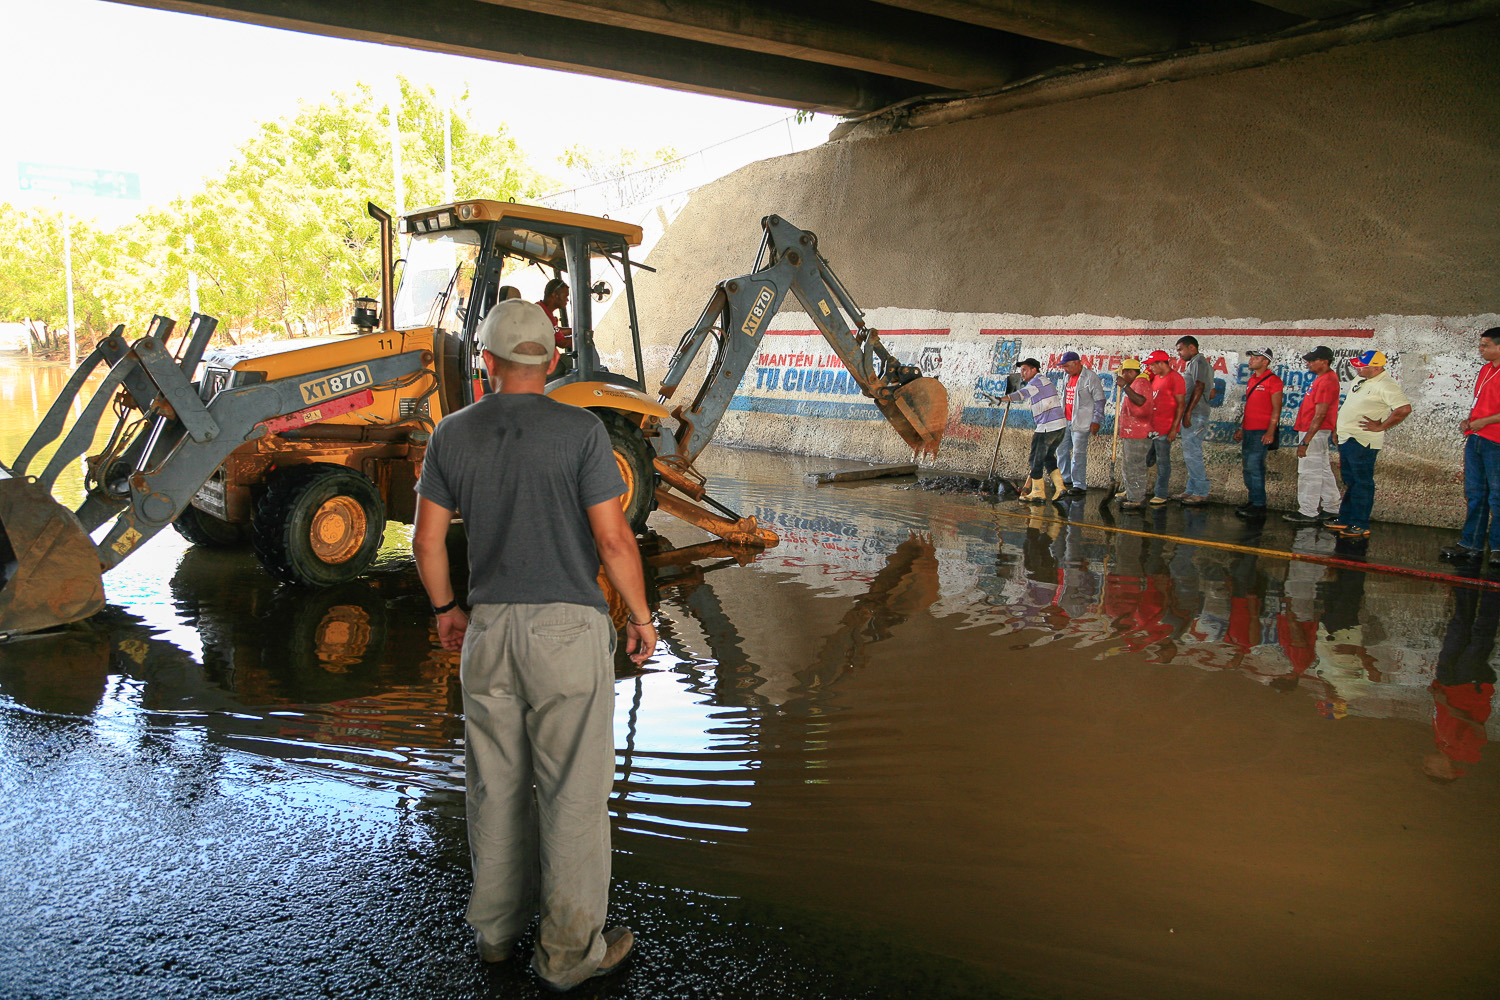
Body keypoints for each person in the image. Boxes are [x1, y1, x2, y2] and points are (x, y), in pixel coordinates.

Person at [410, 299, 653, 990]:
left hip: (488, 628)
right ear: (551, 359)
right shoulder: (580, 432)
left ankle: (495, 934)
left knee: (496, 786)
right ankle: (568, 956)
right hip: (567, 631)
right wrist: (640, 616)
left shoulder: (450, 435)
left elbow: (426, 542)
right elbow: (612, 538)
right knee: (572, 794)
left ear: (485, 361)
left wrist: (447, 612)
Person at [1325, 350, 1411, 539]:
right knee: (1351, 481)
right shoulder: (1361, 380)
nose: (1358, 367)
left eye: (1362, 365)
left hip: (1362, 441)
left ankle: (1360, 523)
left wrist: (1381, 426)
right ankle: (1346, 518)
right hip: (1348, 437)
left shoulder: (1386, 385)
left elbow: (1403, 409)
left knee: (1362, 482)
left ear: (1377, 367)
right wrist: (1338, 429)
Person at [1444, 328, 1500, 565]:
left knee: (1497, 496)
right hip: (1477, 438)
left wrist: (1484, 422)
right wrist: (1471, 420)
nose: (1481, 349)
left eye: (1485, 345)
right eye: (1481, 345)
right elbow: (1483, 403)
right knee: (1476, 494)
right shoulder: (1486, 370)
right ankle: (1471, 544)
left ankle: (1497, 548)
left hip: (1496, 441)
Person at [1283, 345, 1341, 525]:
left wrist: (1305, 441)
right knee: (1322, 470)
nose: (1308, 363)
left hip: (1313, 432)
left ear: (1324, 362)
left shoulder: (1326, 381)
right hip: (1316, 431)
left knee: (1309, 472)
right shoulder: (1324, 378)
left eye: (1312, 360)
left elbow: (1320, 414)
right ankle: (1332, 507)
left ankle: (1308, 511)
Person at [999, 357, 1069, 502]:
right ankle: (1061, 488)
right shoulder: (1043, 381)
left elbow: (1021, 394)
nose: (1022, 373)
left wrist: (1001, 399)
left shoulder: (1037, 381)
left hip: (1047, 427)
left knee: (1035, 459)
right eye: (1021, 370)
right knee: (1048, 457)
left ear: (1034, 370)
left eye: (1025, 370)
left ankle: (1038, 492)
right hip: (1059, 426)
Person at [1232, 348, 1284, 517]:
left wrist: (1271, 431)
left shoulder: (1273, 381)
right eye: (1251, 357)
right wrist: (1242, 427)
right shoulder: (1253, 379)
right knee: (1247, 467)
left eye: (1256, 358)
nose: (1252, 360)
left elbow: (1277, 408)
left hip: (1261, 431)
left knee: (1255, 467)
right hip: (1248, 430)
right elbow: (1250, 407)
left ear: (1265, 361)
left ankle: (1259, 504)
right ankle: (1253, 500)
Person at [1054, 351, 1106, 496]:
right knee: (1061, 450)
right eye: (1063, 366)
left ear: (1077, 363)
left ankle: (1079, 484)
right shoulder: (1067, 377)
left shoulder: (1090, 377)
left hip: (1082, 422)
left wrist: (1096, 420)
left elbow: (1100, 400)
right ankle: (1066, 479)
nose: (1065, 369)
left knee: (1078, 453)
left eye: (1067, 366)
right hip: (1065, 420)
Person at [1174, 335, 1213, 504]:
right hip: (1195, 412)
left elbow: (1200, 386)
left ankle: (1201, 491)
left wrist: (1188, 412)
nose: (1179, 354)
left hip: (1196, 414)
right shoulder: (1197, 363)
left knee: (1192, 453)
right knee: (1190, 452)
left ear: (1192, 348)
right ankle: (1191, 489)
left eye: (1180, 349)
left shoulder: (1198, 362)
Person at [1146, 350, 1186, 505]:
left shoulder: (1176, 379)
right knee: (1144, 460)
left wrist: (1173, 429)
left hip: (1165, 428)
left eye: (1152, 365)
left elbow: (1181, 405)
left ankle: (1161, 494)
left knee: (1163, 462)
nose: (1150, 368)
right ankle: (1134, 489)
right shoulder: (1155, 378)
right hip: (1152, 427)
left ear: (1162, 363)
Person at [1114, 358, 1154, 509]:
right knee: (1129, 465)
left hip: (1138, 433)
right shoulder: (1136, 383)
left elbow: (1140, 401)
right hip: (1132, 432)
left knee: (1135, 466)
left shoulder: (1141, 383)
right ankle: (1131, 492)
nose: (1122, 378)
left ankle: (1136, 498)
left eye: (1123, 374)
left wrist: (1125, 386)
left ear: (1130, 372)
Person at [538, 278, 572, 350]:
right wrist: (584, 337)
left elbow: (555, 331)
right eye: (565, 296)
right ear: (555, 295)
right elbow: (563, 343)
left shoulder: (540, 308)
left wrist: (574, 331)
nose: (567, 300)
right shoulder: (544, 315)